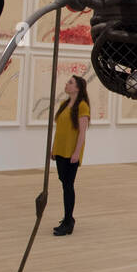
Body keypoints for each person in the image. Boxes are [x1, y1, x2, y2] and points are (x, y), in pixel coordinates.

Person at [51, 75, 90, 236]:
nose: (67, 84)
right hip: (60, 150)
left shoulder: (82, 107)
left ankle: (68, 221)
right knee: (63, 182)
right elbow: (59, 129)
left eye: (70, 83)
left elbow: (82, 133)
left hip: (71, 153)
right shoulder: (63, 104)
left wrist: (76, 152)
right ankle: (68, 219)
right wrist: (53, 148)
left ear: (78, 88)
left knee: (68, 186)